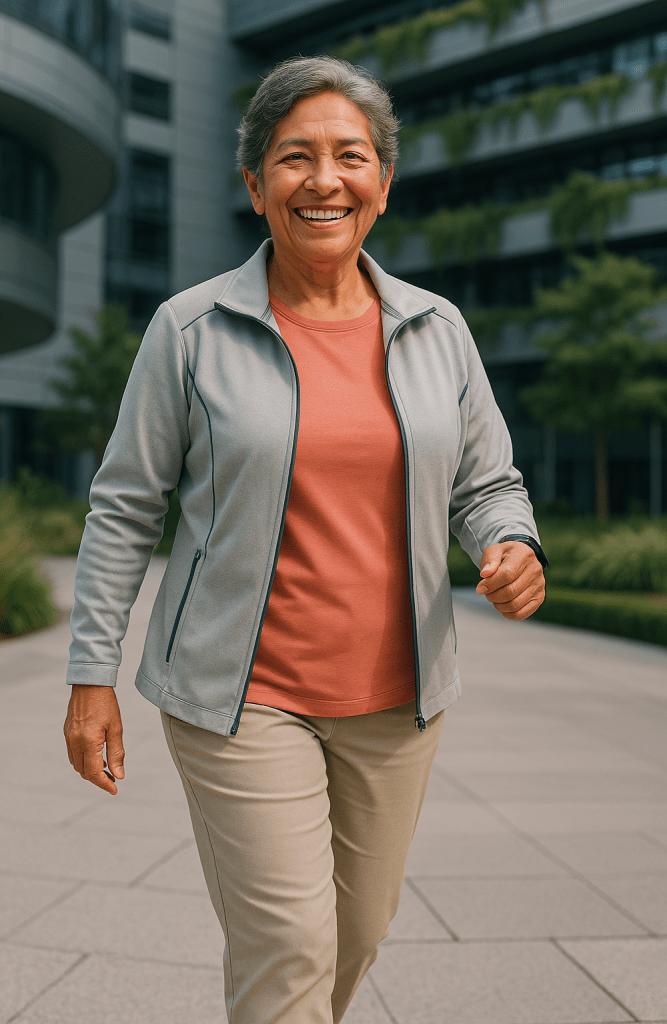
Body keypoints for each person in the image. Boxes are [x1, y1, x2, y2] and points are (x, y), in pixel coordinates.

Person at [64, 55, 547, 1024]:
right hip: (236, 697)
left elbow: (486, 482)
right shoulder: (189, 330)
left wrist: (510, 544)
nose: (323, 179)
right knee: (288, 942)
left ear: (381, 182)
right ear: (253, 185)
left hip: (394, 701)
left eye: (348, 156)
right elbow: (124, 502)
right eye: (294, 158)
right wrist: (90, 673)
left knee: (355, 933)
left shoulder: (437, 330)